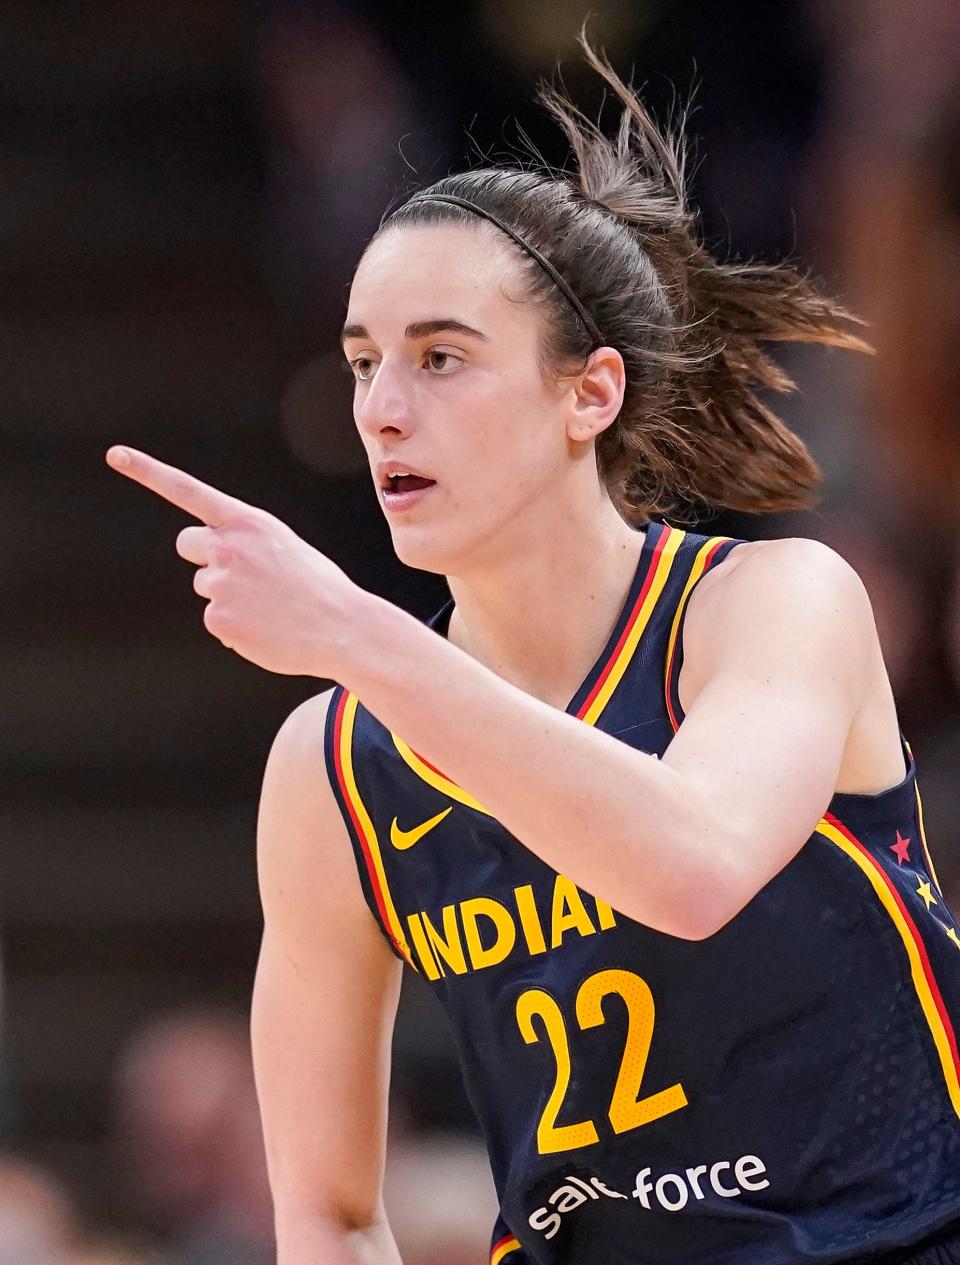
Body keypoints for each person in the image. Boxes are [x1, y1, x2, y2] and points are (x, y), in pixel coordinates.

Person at [106, 36, 960, 1265]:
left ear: (590, 393)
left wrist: (356, 631)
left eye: (441, 356)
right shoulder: (338, 768)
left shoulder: (771, 604)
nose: (383, 405)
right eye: (362, 361)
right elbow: (330, 1216)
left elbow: (692, 863)